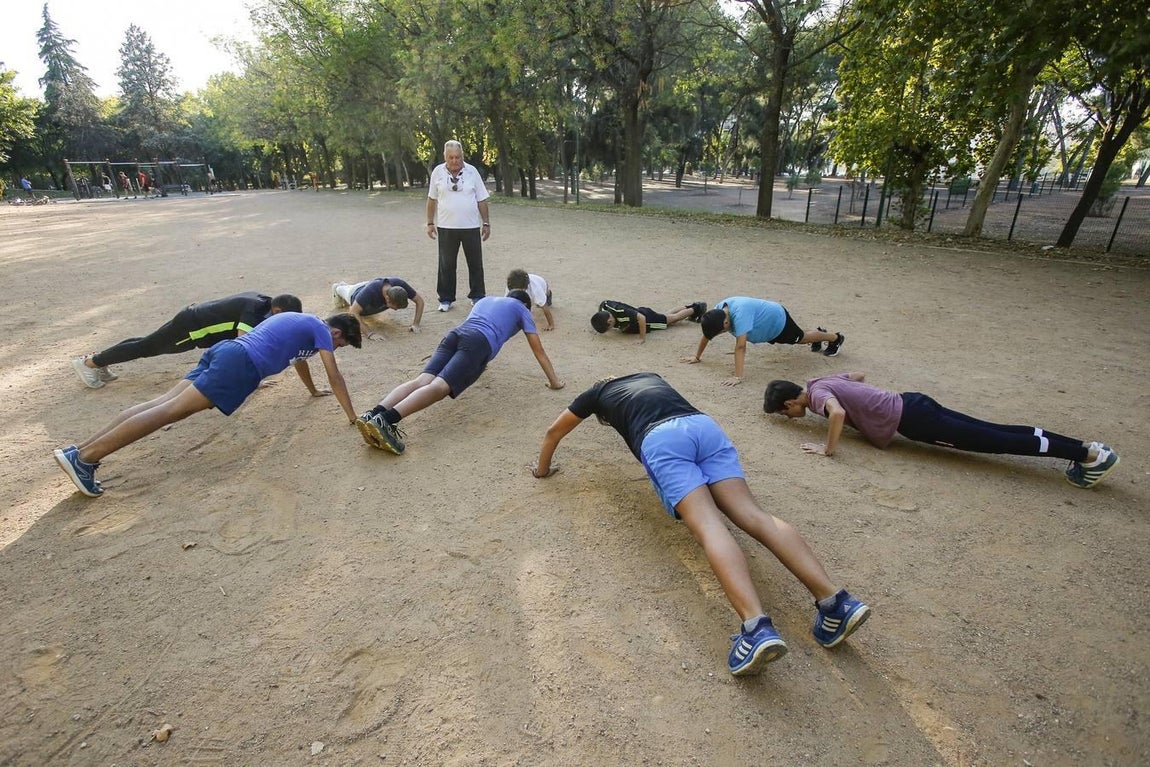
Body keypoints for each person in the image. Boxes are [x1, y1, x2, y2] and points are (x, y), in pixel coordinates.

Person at [531, 372, 870, 676]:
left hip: (661, 438)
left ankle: (756, 629)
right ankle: (835, 602)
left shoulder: (595, 394)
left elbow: (553, 432)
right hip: (703, 427)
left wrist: (541, 470)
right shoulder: (649, 376)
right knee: (755, 515)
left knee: (709, 526)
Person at [54, 312, 362, 498]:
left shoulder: (302, 322)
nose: (335, 348)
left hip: (227, 351)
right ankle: (86, 457)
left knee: (161, 403)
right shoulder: (319, 329)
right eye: (340, 344)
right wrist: (353, 417)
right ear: (336, 332)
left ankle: (78, 451)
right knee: (168, 412)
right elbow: (334, 375)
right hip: (239, 364)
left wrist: (312, 391)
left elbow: (298, 361)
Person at [763, 372, 1121, 489]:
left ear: (791, 403)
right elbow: (856, 377)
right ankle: (1087, 447)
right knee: (995, 429)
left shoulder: (817, 397)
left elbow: (838, 413)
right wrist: (869, 405)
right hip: (913, 401)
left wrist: (827, 449)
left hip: (915, 421)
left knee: (995, 441)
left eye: (786, 414)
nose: (791, 418)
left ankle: (1088, 456)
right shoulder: (819, 381)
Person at [357, 291, 564, 454]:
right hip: (478, 343)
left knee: (422, 380)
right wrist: (554, 382)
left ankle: (372, 414)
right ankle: (386, 420)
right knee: (439, 387)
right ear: (525, 304)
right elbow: (538, 350)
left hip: (456, 334)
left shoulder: (486, 300)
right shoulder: (521, 308)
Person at [71, 292, 303, 388]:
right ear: (277, 310)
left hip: (191, 317)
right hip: (192, 329)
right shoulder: (255, 310)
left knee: (146, 343)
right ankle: (90, 363)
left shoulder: (264, 303)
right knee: (146, 347)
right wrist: (251, 379)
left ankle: (98, 361)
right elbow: (242, 346)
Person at [684, 297, 844, 386]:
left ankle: (834, 338)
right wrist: (697, 356)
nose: (722, 333)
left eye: (722, 331)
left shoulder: (740, 315)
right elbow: (707, 334)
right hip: (768, 326)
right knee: (802, 336)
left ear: (726, 323)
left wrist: (737, 377)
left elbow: (740, 347)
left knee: (801, 338)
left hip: (778, 323)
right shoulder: (717, 313)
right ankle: (819, 334)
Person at [426, 140, 490, 312]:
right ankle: (445, 299)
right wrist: (430, 222)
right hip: (446, 226)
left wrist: (486, 223)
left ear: (462, 156)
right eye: (451, 157)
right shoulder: (437, 172)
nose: (455, 161)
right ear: (445, 157)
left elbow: (482, 199)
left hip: (470, 226)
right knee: (446, 265)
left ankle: (478, 296)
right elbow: (431, 199)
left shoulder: (472, 172)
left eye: (458, 157)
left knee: (475, 263)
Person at [332, 277, 425, 336]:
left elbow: (420, 301)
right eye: (396, 307)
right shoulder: (370, 292)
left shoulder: (400, 285)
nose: (396, 309)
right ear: (388, 299)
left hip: (373, 286)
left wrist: (416, 324)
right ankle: (338, 287)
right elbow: (353, 312)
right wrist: (369, 333)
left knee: (367, 304)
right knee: (347, 292)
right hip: (355, 293)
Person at [592, 300, 707, 343]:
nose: (611, 329)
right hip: (642, 311)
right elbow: (602, 303)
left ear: (610, 320)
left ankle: (697, 308)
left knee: (673, 319)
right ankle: (690, 306)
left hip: (648, 319)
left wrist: (642, 338)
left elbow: (641, 318)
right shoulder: (606, 307)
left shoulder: (622, 311)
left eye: (609, 327)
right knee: (666, 315)